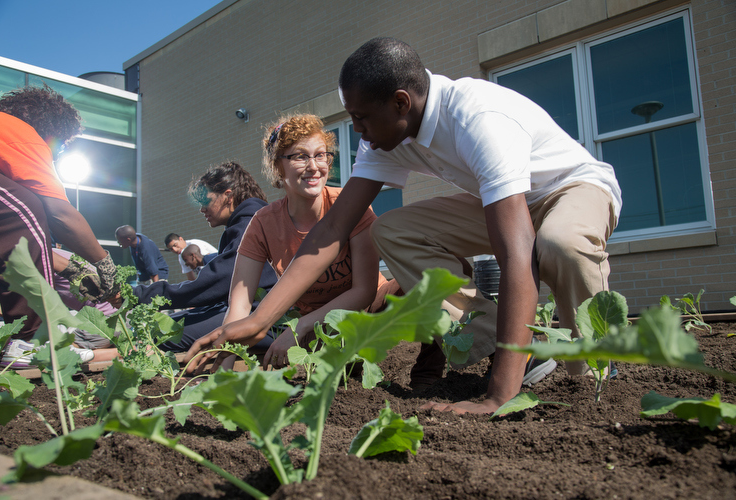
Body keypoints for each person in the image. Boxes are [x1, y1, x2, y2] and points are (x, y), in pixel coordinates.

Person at [186, 38, 622, 414]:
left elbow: (516, 254)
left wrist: (498, 396)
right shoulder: (384, 137)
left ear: (400, 103)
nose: (357, 130)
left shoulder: (478, 120)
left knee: (558, 243)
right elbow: (333, 228)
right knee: (392, 231)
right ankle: (514, 352)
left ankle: (594, 373)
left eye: (361, 117)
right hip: (509, 201)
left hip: (570, 188)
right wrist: (260, 321)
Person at [184, 114, 402, 370]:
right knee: (263, 359)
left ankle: (426, 374)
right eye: (300, 156)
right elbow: (240, 306)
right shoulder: (263, 224)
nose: (314, 166)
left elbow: (363, 292)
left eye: (321, 155)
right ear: (278, 166)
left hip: (368, 310)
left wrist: (301, 327)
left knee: (418, 284)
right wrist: (224, 366)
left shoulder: (348, 204)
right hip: (317, 329)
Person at [0, 86, 118, 359]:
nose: (57, 154)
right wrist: (105, 265)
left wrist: (71, 268)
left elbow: (6, 243)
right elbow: (59, 214)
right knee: (26, 208)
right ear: (51, 130)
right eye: (63, 145)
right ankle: (31, 340)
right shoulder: (22, 133)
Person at [131, 161, 277, 353]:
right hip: (247, 311)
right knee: (161, 325)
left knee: (157, 332)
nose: (202, 209)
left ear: (228, 196)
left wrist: (141, 295)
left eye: (206, 201)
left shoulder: (248, 225)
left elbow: (214, 283)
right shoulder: (245, 223)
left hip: (265, 322)